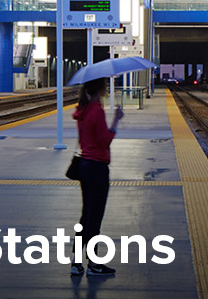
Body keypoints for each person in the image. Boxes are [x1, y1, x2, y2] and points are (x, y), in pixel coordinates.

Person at [70, 77, 123, 277]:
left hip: (84, 165)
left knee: (86, 215)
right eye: (105, 86)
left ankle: (76, 263)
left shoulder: (82, 110)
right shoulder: (96, 110)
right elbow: (104, 142)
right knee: (95, 217)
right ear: (101, 88)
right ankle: (93, 263)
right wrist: (116, 120)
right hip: (97, 167)